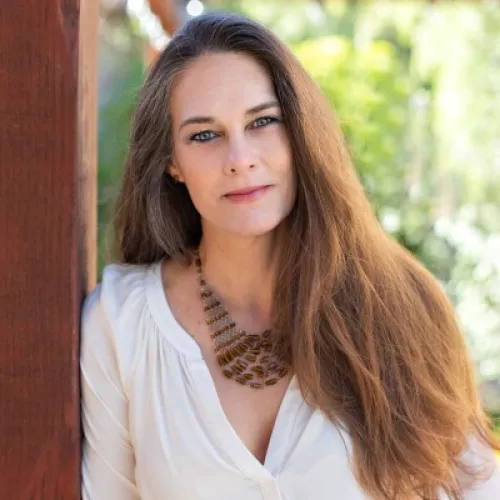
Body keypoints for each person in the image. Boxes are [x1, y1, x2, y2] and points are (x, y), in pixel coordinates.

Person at [80, 11, 500, 500]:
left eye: (262, 122)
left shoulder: (399, 302)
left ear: (299, 132)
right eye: (205, 135)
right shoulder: (123, 322)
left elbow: (478, 487)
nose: (240, 159)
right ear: (172, 161)